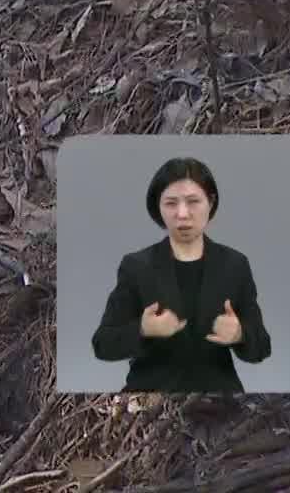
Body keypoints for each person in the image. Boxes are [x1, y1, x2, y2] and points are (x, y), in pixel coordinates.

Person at [90, 157, 272, 393]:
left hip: (221, 399)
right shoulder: (136, 266)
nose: (182, 214)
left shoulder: (234, 265)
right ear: (158, 206)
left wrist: (240, 334)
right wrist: (143, 329)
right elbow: (102, 343)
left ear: (211, 202)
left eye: (193, 201)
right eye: (171, 203)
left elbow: (263, 346)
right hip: (150, 398)